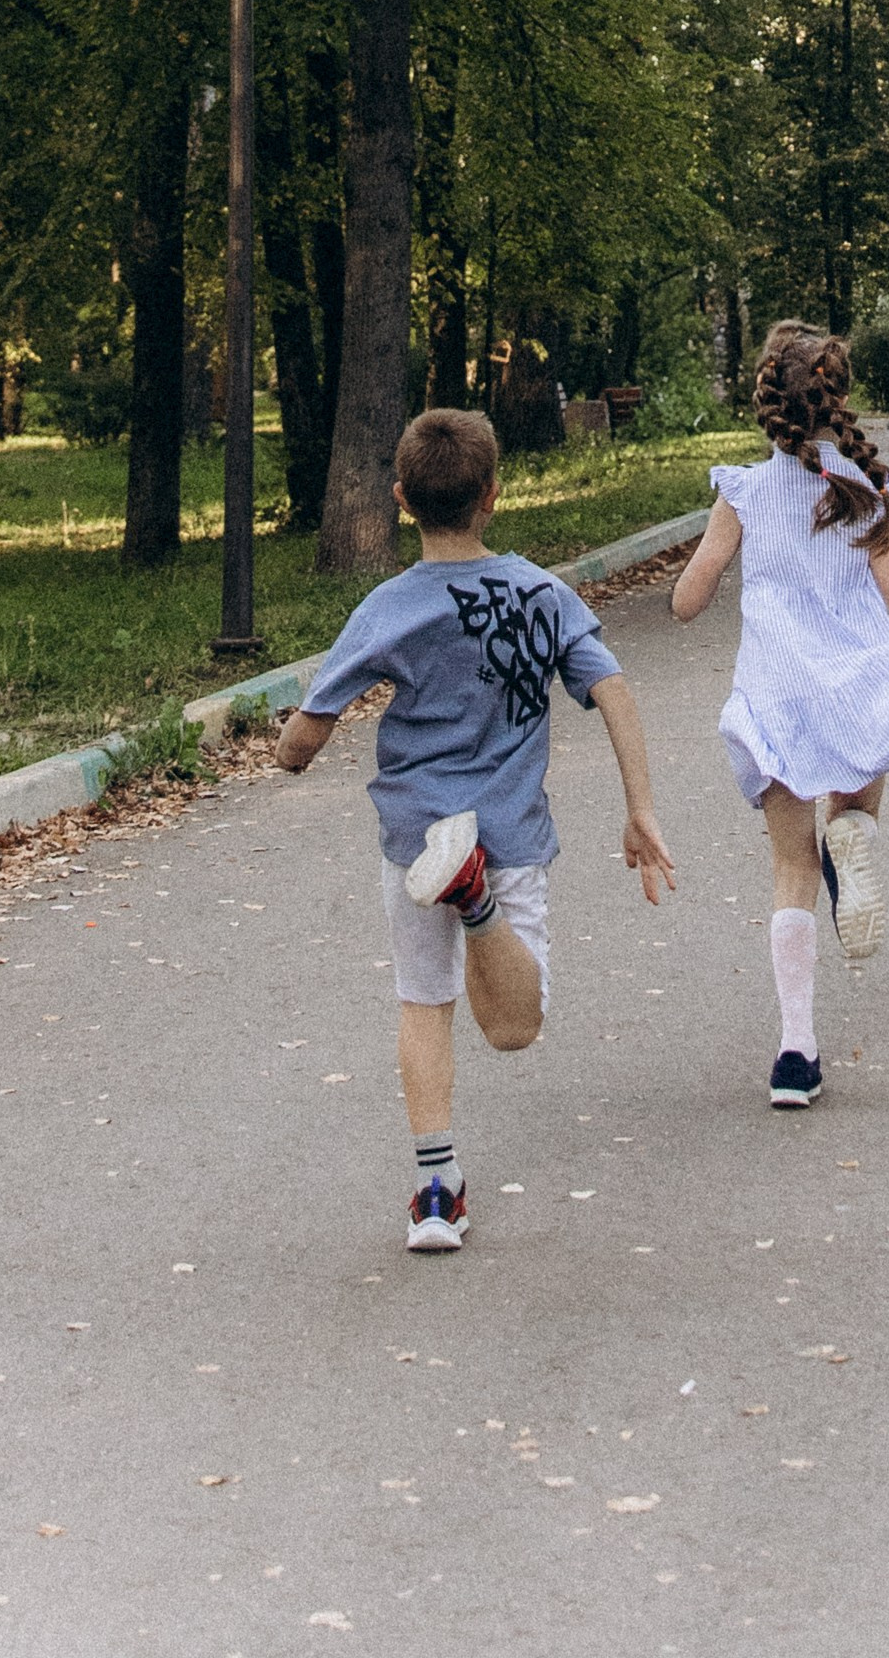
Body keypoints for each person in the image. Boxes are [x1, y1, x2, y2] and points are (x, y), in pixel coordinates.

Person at [275, 407, 675, 1250]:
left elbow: (300, 744)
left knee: (425, 1002)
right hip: (510, 835)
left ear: (399, 499)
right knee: (515, 1029)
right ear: (494, 493)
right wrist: (639, 809)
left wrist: (291, 745)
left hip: (419, 838)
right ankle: (481, 906)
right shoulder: (543, 593)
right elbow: (615, 691)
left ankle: (434, 1190)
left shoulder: (386, 608)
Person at [671, 321, 889, 1108]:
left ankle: (795, 1054)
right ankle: (854, 835)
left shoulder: (744, 493)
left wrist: (706, 574)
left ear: (768, 403)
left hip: (775, 698)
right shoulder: (864, 489)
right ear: (840, 400)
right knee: (857, 788)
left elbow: (688, 602)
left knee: (790, 871)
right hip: (853, 686)